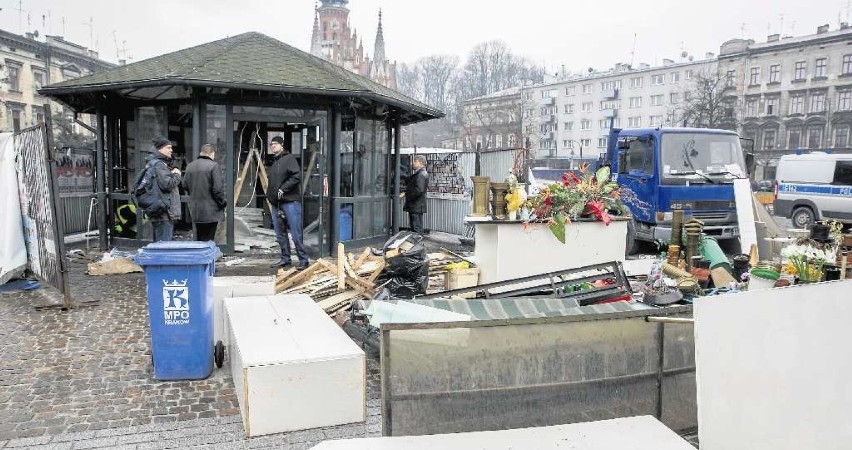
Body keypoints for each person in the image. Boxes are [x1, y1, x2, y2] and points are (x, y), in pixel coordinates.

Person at [267, 135, 310, 269]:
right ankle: (285, 259)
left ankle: (303, 260)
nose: (273, 146)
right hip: (276, 204)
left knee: (296, 233)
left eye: (275, 144)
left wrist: (283, 189)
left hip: (290, 202)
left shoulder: (289, 159)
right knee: (280, 235)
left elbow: (297, 176)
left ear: (282, 145)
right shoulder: (275, 162)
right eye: (271, 144)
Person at [182, 144, 226, 242]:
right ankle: (207, 257)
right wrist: (222, 203)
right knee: (209, 239)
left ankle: (200, 256)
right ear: (211, 153)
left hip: (196, 209)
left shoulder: (190, 166)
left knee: (200, 238)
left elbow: (184, 185)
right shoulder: (214, 166)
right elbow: (217, 189)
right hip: (212, 210)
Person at [146, 137, 182, 242]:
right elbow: (168, 184)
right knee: (163, 246)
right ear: (159, 149)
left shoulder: (154, 163)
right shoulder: (159, 165)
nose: (171, 150)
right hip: (163, 213)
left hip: (159, 210)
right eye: (168, 147)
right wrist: (177, 174)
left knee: (159, 245)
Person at [403, 154, 429, 235]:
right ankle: (417, 245)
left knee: (416, 228)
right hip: (416, 205)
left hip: (416, 205)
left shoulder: (421, 174)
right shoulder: (420, 173)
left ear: (420, 163)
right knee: (416, 227)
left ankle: (417, 245)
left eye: (414, 161)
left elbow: (419, 190)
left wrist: (408, 195)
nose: (412, 163)